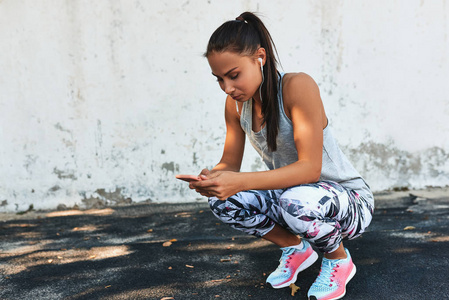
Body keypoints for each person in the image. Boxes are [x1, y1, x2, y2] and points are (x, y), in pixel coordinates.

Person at [188, 11, 374, 300]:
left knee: (294, 200)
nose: (227, 87)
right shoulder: (235, 106)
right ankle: (296, 248)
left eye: (234, 75)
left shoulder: (297, 86)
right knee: (222, 200)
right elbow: (229, 164)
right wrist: (212, 178)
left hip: (349, 203)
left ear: (259, 57)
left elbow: (310, 170)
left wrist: (239, 181)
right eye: (219, 79)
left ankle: (338, 258)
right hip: (293, 200)